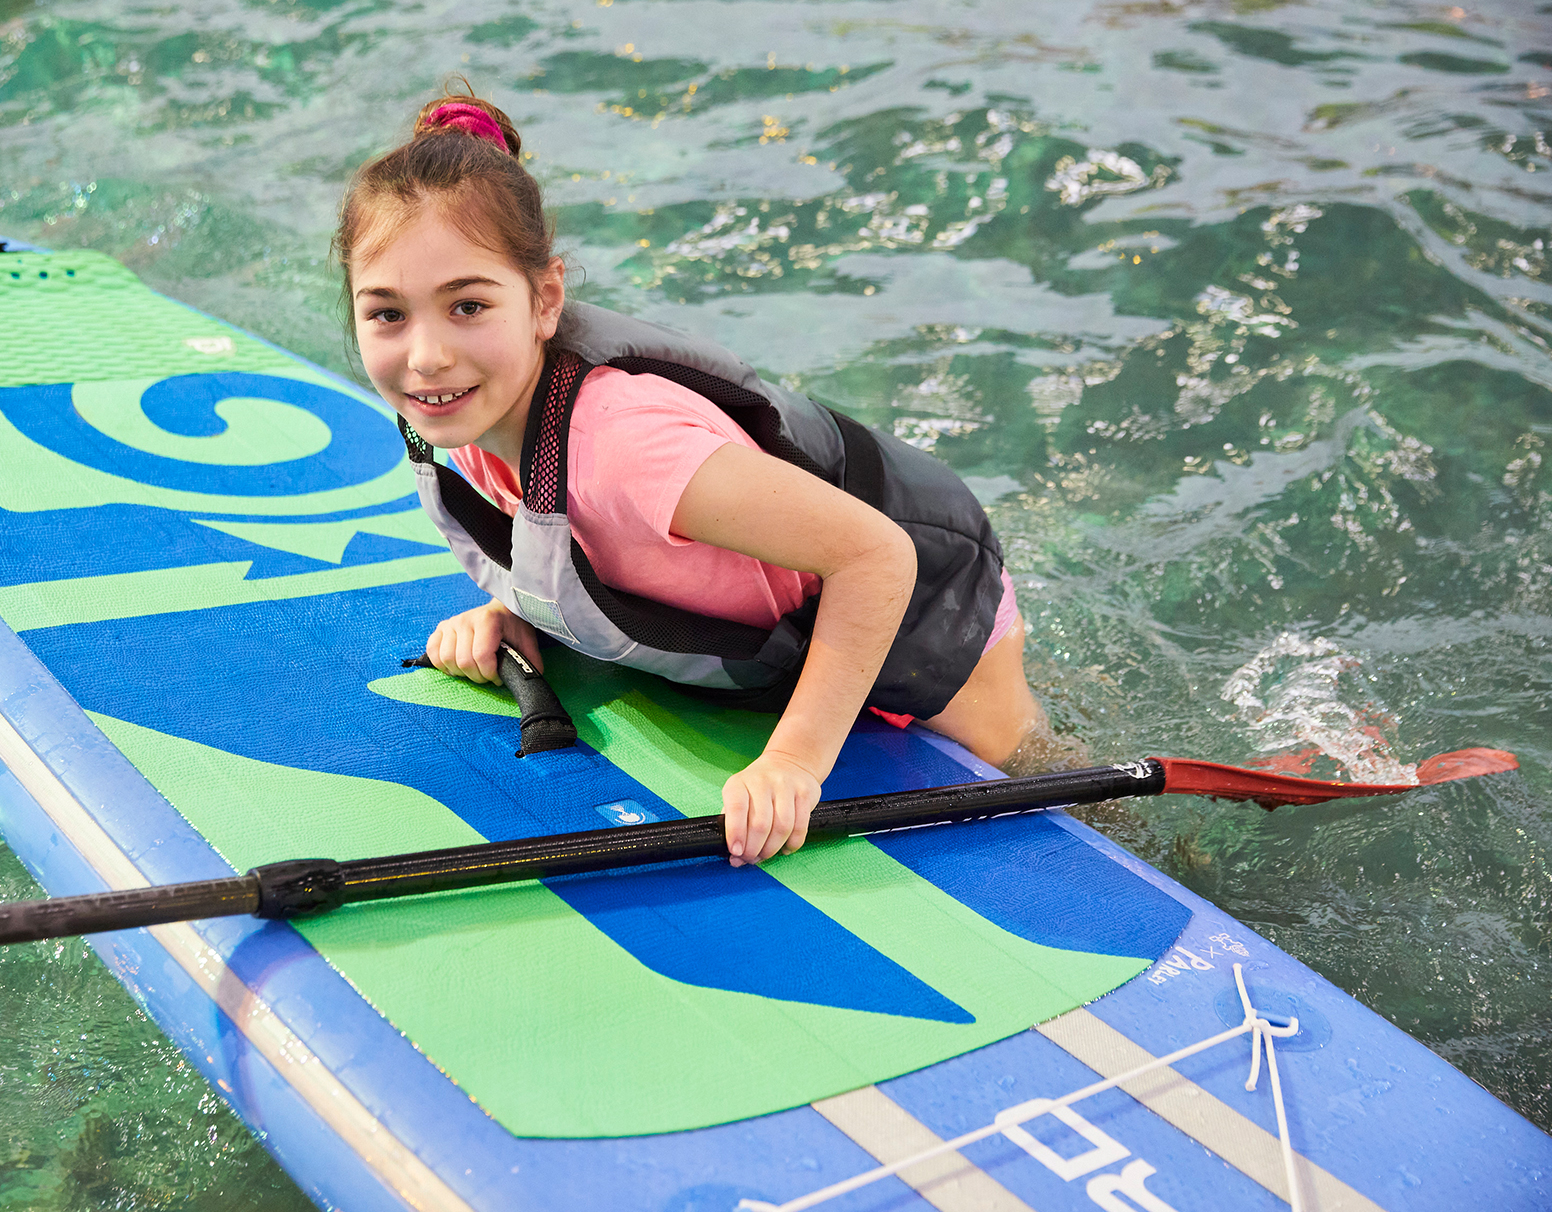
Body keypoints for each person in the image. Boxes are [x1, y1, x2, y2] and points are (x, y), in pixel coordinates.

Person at [334, 83, 1043, 867]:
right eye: (387, 313)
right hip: (785, 634)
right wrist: (521, 608)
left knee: (1037, 803)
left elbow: (877, 556)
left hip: (922, 611)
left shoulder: (625, 450)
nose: (426, 355)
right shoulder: (456, 414)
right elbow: (559, 528)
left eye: (467, 306)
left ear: (544, 301)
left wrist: (794, 762)